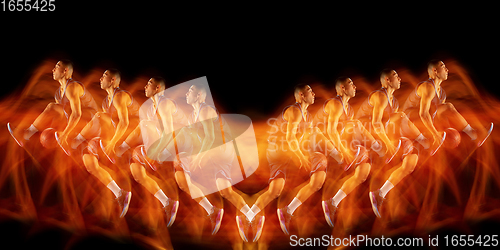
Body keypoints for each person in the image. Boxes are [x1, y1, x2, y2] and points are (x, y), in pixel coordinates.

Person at [254, 84, 342, 239]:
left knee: (276, 190)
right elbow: (289, 138)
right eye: (310, 91)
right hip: (279, 152)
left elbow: (311, 135)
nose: (314, 94)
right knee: (278, 189)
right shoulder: (294, 111)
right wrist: (301, 157)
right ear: (301, 95)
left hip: (288, 151)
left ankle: (268, 212)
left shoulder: (306, 115)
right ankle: (259, 214)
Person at [355, 69, 421, 218]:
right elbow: (376, 123)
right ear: (387, 81)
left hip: (379, 135)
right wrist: (388, 144)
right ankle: (424, 139)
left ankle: (380, 193)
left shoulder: (393, 101)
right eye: (395, 76)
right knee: (401, 117)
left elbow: (390, 125)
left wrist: (402, 141)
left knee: (410, 163)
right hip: (363, 136)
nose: (399, 78)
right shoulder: (380, 96)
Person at [75, 69, 140, 218]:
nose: (100, 78)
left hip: (136, 135)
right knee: (89, 162)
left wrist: (112, 143)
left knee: (100, 116)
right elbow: (110, 126)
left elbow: (124, 123)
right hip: (119, 137)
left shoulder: (120, 96)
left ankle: (75, 141)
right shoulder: (107, 101)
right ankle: (119, 193)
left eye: (104, 76)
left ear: (112, 81)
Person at [320, 77, 377, 228]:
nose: (355, 86)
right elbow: (330, 131)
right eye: (351, 84)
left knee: (363, 172)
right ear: (343, 89)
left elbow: (346, 132)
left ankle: (333, 202)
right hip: (321, 145)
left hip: (340, 145)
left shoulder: (348, 108)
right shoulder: (336, 104)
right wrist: (344, 151)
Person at [402, 60, 493, 149]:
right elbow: (423, 114)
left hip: (420, 125)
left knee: (442, 113)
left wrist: (447, 134)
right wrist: (435, 134)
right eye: (443, 67)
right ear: (435, 71)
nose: (447, 70)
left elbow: (438, 117)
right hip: (406, 122)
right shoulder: (427, 87)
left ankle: (473, 136)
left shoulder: (442, 93)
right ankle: (473, 134)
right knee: (446, 107)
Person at [8, 60, 98, 148]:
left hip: (93, 122)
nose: (53, 70)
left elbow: (77, 114)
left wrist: (65, 134)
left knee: (53, 107)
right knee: (56, 111)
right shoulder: (58, 93)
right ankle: (27, 136)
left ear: (65, 71)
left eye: (57, 67)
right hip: (80, 124)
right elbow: (62, 116)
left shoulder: (72, 87)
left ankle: (28, 134)